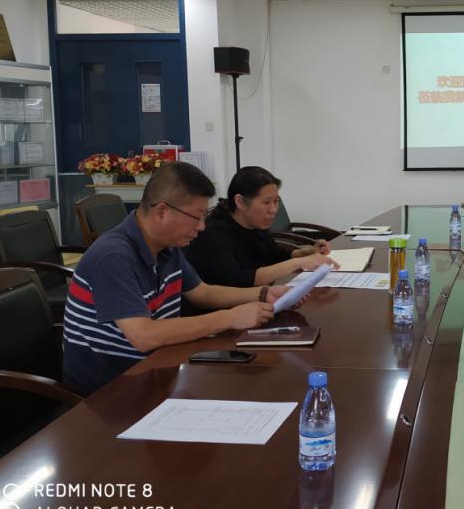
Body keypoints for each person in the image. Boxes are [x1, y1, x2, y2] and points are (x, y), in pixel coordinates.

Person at [63, 163, 285, 396]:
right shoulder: (113, 256)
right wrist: (229, 318)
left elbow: (203, 293)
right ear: (162, 211)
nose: (201, 227)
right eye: (196, 217)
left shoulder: (167, 247)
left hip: (157, 370)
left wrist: (263, 294)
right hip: (109, 393)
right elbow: (144, 336)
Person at [184, 166, 338, 288]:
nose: (273, 210)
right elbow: (238, 280)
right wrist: (299, 263)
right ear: (240, 202)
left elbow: (275, 256)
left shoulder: (255, 225)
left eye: (276, 201)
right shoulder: (213, 234)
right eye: (267, 202)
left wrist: (307, 252)